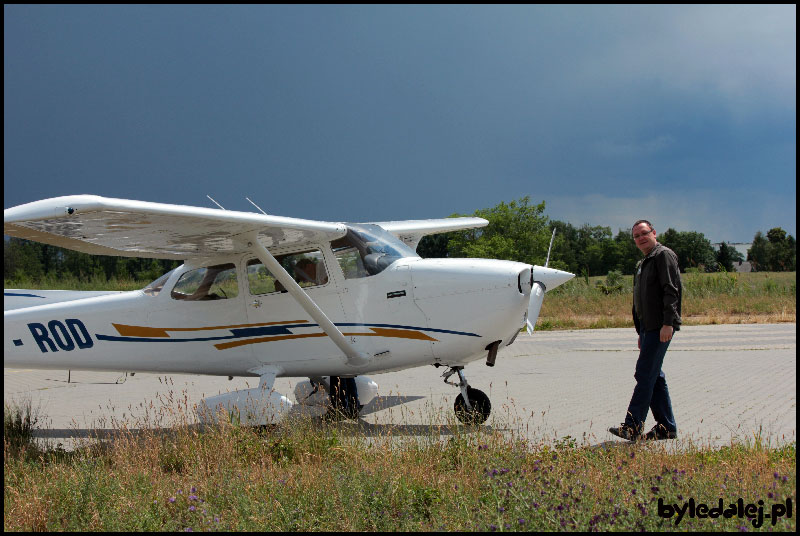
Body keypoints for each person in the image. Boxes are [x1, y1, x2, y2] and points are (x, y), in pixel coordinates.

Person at [609, 219, 681, 441]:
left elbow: (671, 291)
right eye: (636, 236)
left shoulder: (663, 255)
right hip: (648, 328)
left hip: (661, 326)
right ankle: (666, 427)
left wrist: (668, 323)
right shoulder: (644, 262)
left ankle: (632, 426)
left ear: (654, 233)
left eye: (643, 233)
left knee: (644, 373)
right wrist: (640, 331)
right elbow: (640, 299)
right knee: (653, 375)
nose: (640, 238)